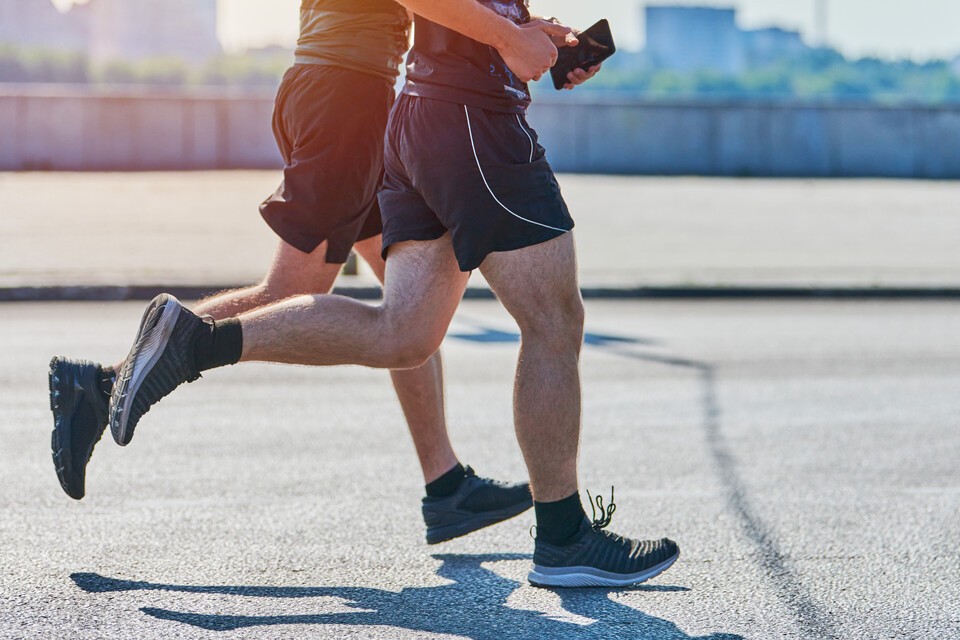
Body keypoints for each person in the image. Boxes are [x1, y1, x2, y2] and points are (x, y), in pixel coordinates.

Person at [102, 0, 680, 588]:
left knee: (404, 335)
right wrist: (509, 38)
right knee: (554, 321)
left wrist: (530, 35)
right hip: (469, 121)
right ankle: (562, 536)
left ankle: (195, 343)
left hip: (425, 115)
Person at [48, 0, 556, 548]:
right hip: (348, 96)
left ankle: (445, 482)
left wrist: (520, 33)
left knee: (408, 298)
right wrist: (507, 36)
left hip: (334, 84)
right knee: (292, 291)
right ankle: (101, 385)